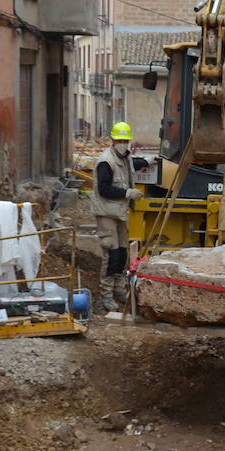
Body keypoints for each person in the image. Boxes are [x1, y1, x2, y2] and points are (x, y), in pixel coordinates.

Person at [91, 122, 149, 312]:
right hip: (106, 213)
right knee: (112, 254)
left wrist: (148, 161)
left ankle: (119, 289)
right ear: (113, 140)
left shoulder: (125, 158)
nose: (123, 144)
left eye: (125, 140)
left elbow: (132, 165)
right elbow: (104, 188)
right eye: (120, 140)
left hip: (119, 212)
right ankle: (106, 295)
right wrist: (128, 193)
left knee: (122, 252)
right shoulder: (105, 162)